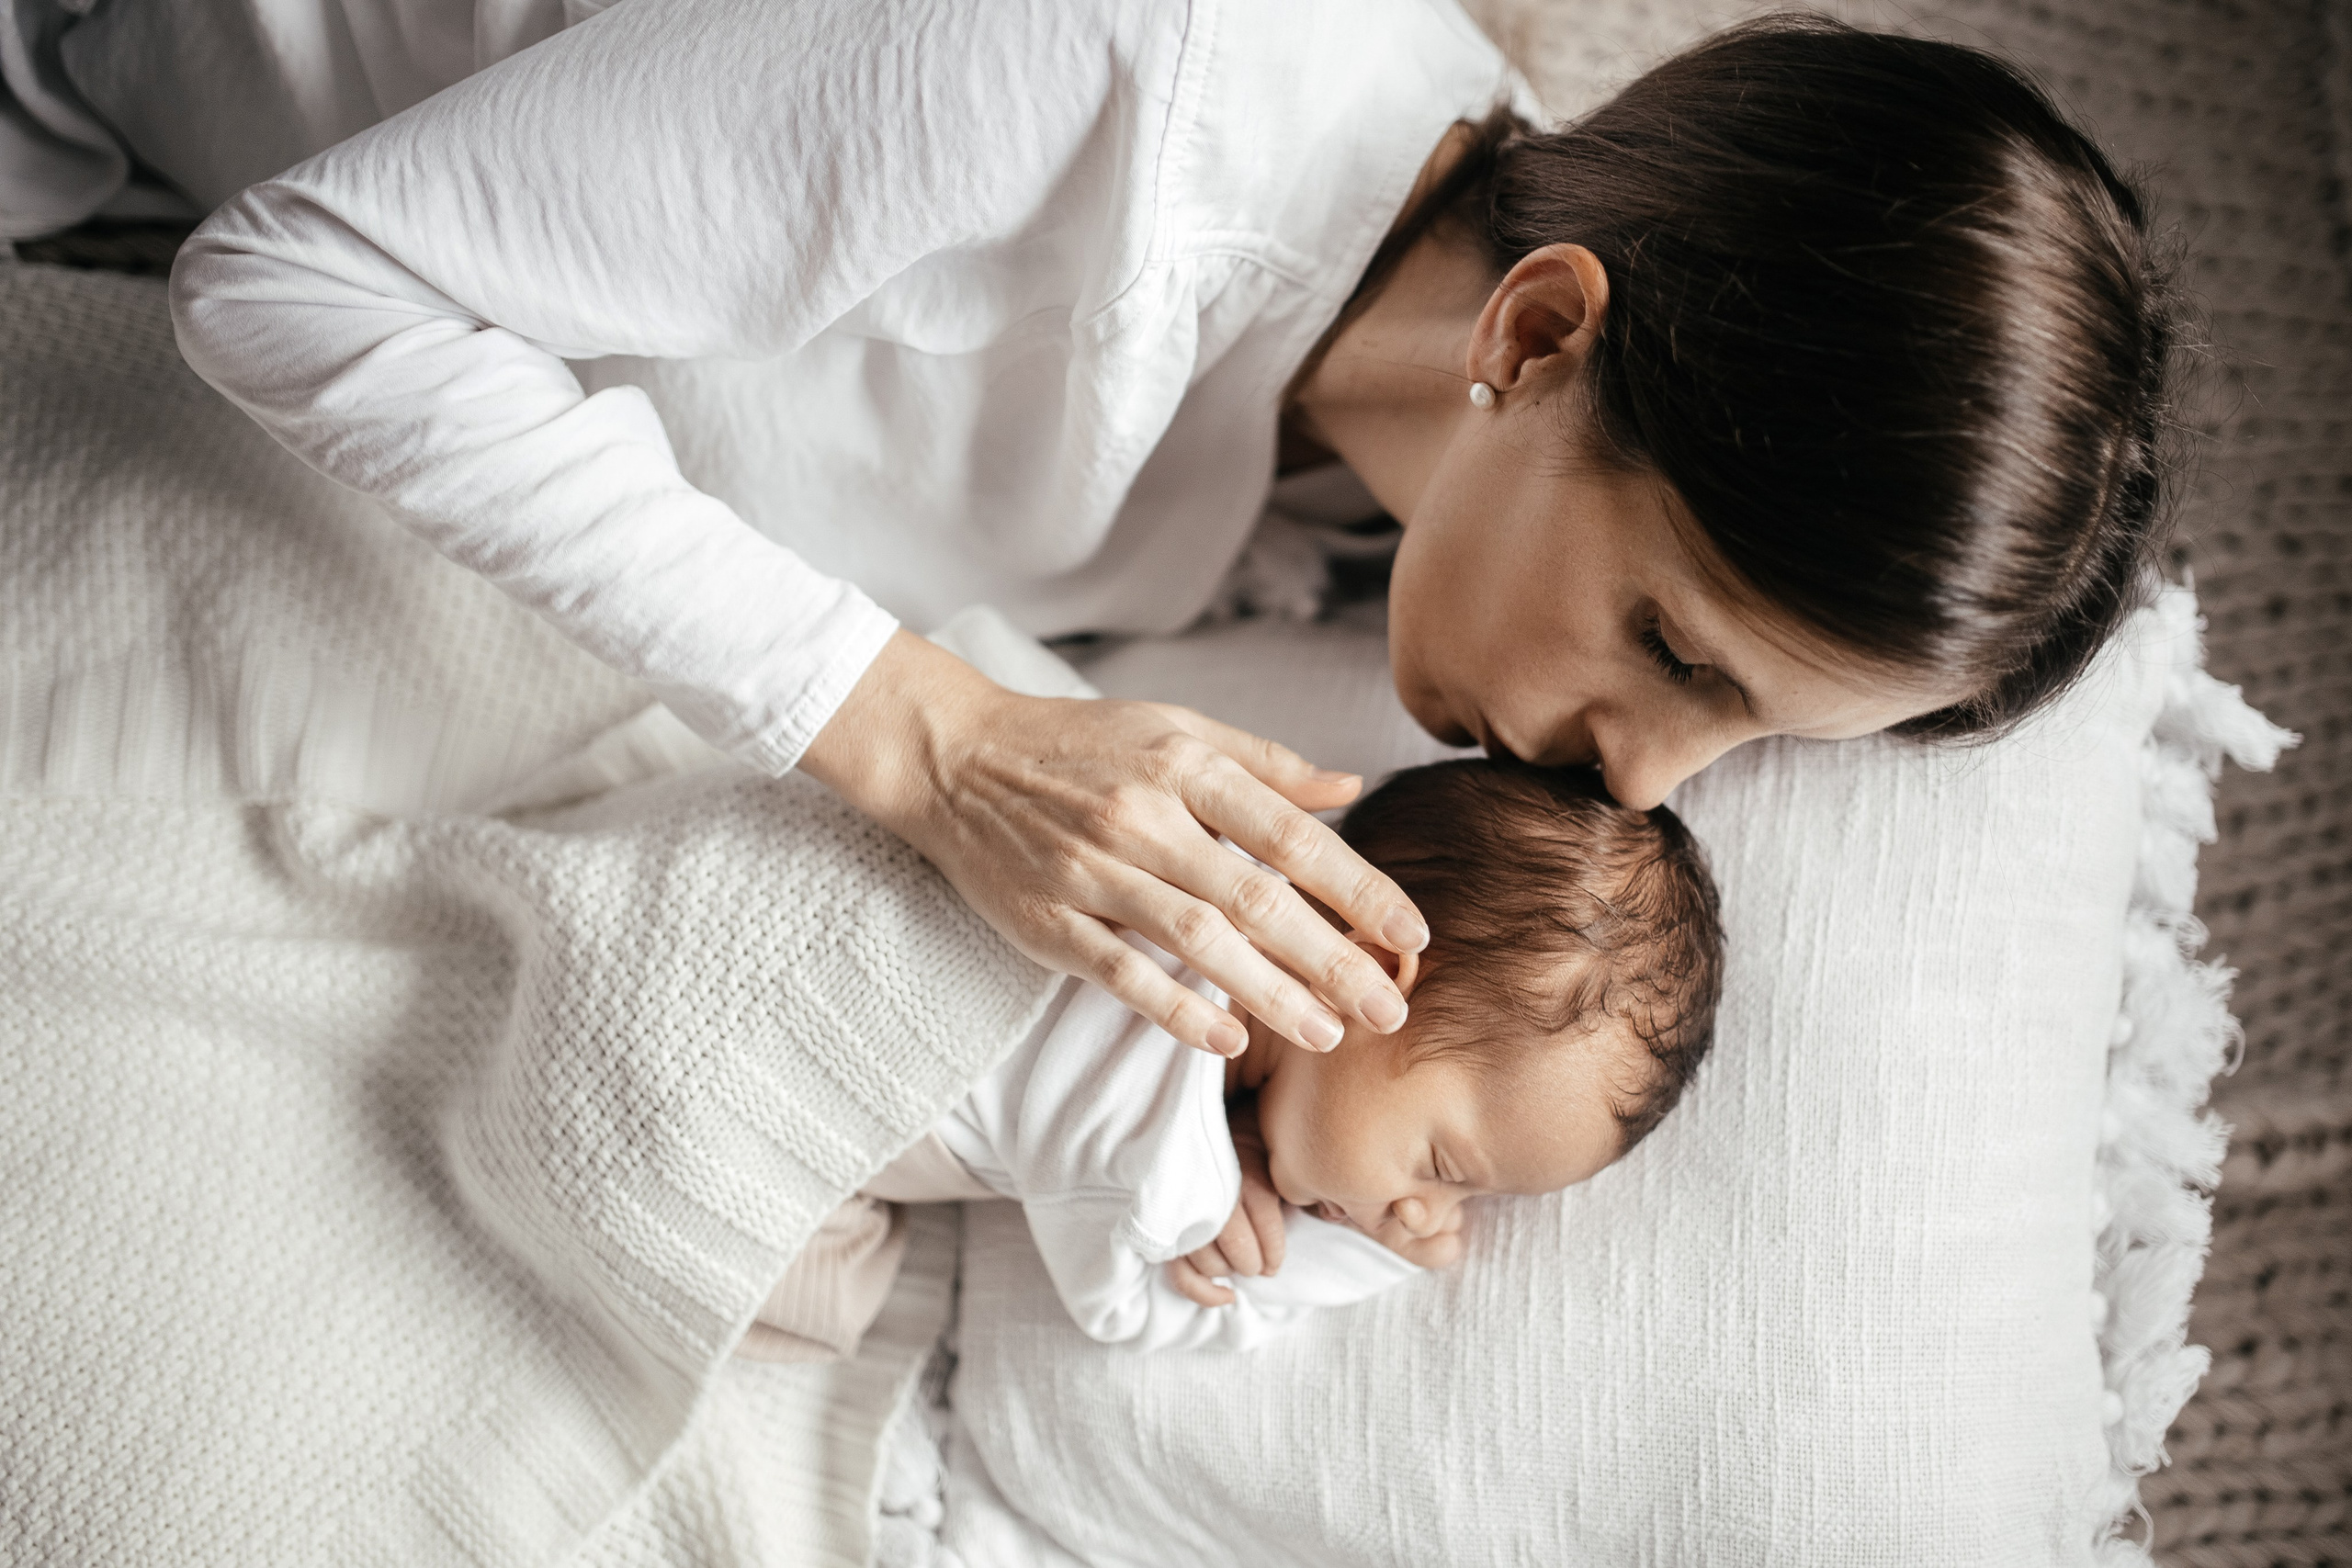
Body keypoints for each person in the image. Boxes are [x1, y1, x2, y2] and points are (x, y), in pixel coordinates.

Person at [162, 3, 2173, 1063]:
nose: (1643, 783)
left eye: (1747, 740)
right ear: (1540, 326)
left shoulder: (1376, 542)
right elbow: (292, 284)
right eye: (1670, 648)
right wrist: (925, 735)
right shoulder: (1111, 61)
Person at [740, 758, 1723, 1359]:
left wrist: (1254, 1136)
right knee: (818, 1293)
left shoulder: (1201, 836)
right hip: (763, 1071)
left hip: (765, 840)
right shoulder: (1165, 1170)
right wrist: (1334, 1249)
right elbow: (1126, 1310)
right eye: (1445, 1169)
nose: (1430, 1220)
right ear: (1367, 975)